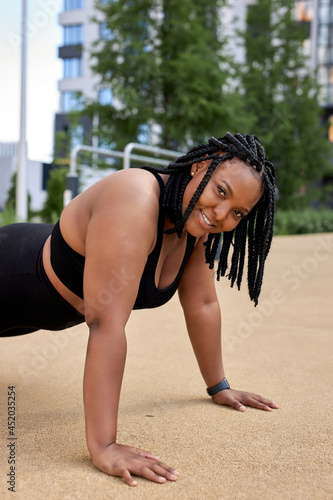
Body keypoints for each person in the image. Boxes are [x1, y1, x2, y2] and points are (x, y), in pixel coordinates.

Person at [0, 132, 279, 486]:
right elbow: (105, 324)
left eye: (237, 212)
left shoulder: (195, 226)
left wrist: (218, 385)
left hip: (37, 313)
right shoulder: (135, 196)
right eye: (220, 191)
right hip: (10, 275)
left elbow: (202, 303)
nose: (222, 214)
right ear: (199, 166)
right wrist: (104, 446)